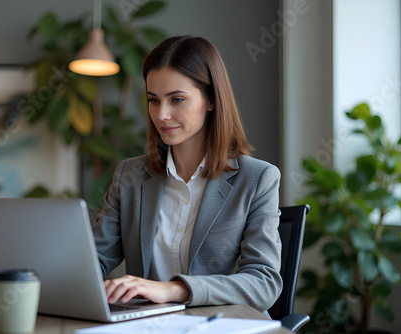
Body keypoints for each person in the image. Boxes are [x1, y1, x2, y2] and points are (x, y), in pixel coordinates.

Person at [92, 35, 282, 317]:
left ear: (211, 100)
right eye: (153, 100)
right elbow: (93, 261)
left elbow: (263, 284)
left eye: (177, 99)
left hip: (221, 327)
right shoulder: (129, 176)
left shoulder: (257, 179)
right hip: (146, 326)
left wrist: (175, 289)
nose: (162, 115)